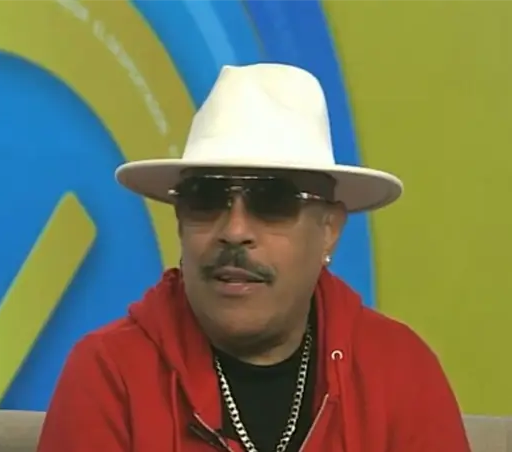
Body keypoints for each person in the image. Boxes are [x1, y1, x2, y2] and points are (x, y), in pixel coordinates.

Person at [36, 63, 471, 452]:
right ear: (180, 221)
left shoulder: (399, 371)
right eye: (206, 198)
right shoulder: (110, 373)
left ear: (329, 230)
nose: (234, 230)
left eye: (272, 200)